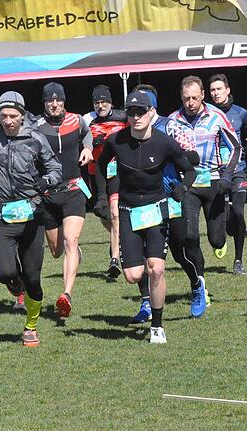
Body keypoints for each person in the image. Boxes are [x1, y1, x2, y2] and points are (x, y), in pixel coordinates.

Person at [98, 91, 196, 343]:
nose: (136, 117)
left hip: (156, 208)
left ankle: (157, 325)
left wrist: (182, 187)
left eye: (141, 111)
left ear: (152, 112)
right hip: (129, 211)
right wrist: (101, 197)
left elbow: (189, 170)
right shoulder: (115, 141)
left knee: (157, 268)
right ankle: (144, 285)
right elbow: (100, 167)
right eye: (131, 112)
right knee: (132, 275)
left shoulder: (164, 142)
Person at [0, 92, 62, 347]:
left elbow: (55, 169)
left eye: (14, 116)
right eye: (4, 116)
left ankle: (31, 326)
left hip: (32, 214)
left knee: (33, 277)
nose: (9, 121)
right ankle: (15, 284)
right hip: (1, 214)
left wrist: (44, 182)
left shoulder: (35, 139)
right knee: (4, 271)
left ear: (22, 116)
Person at [167, 75, 241, 317]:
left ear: (203, 96)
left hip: (214, 183)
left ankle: (225, 226)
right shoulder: (172, 122)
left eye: (195, 98)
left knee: (217, 239)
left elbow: (236, 147)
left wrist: (228, 176)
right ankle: (200, 285)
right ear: (181, 97)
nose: (190, 102)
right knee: (189, 237)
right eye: (186, 98)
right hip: (187, 185)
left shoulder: (216, 117)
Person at [35, 82, 93, 318]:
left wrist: (88, 148)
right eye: (50, 101)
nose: (55, 104)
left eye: (58, 100)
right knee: (57, 250)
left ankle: (66, 295)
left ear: (64, 101)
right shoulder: (35, 127)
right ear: (45, 103)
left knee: (71, 239)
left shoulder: (77, 121)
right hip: (48, 196)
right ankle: (73, 251)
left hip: (73, 189)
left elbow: (87, 134)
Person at [83, 85, 127, 281]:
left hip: (118, 172)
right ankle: (121, 238)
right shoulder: (87, 119)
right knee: (102, 213)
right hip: (96, 173)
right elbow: (79, 140)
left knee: (116, 213)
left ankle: (115, 259)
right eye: (97, 102)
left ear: (111, 102)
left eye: (104, 102)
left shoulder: (123, 117)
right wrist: (92, 142)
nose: (100, 106)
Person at [209, 73, 247, 274]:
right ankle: (223, 237)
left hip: (238, 172)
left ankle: (238, 260)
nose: (216, 93)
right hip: (216, 174)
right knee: (225, 219)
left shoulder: (241, 113)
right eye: (213, 90)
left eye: (219, 89)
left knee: (239, 213)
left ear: (228, 90)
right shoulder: (207, 114)